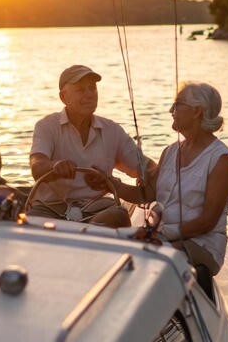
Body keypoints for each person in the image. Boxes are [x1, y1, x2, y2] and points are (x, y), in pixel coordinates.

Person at [112, 81, 228, 281]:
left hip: (202, 245)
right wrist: (113, 186)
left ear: (196, 111)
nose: (171, 110)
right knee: (112, 243)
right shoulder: (170, 152)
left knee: (143, 256)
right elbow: (147, 195)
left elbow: (207, 221)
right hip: (163, 236)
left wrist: (163, 235)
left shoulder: (220, 160)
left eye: (177, 104)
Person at [28, 64, 151, 227]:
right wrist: (55, 166)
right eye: (80, 90)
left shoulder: (112, 131)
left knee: (119, 214)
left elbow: (146, 169)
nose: (89, 95)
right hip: (50, 209)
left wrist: (152, 177)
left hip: (96, 213)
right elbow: (37, 165)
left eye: (92, 89)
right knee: (30, 220)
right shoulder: (47, 126)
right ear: (64, 97)